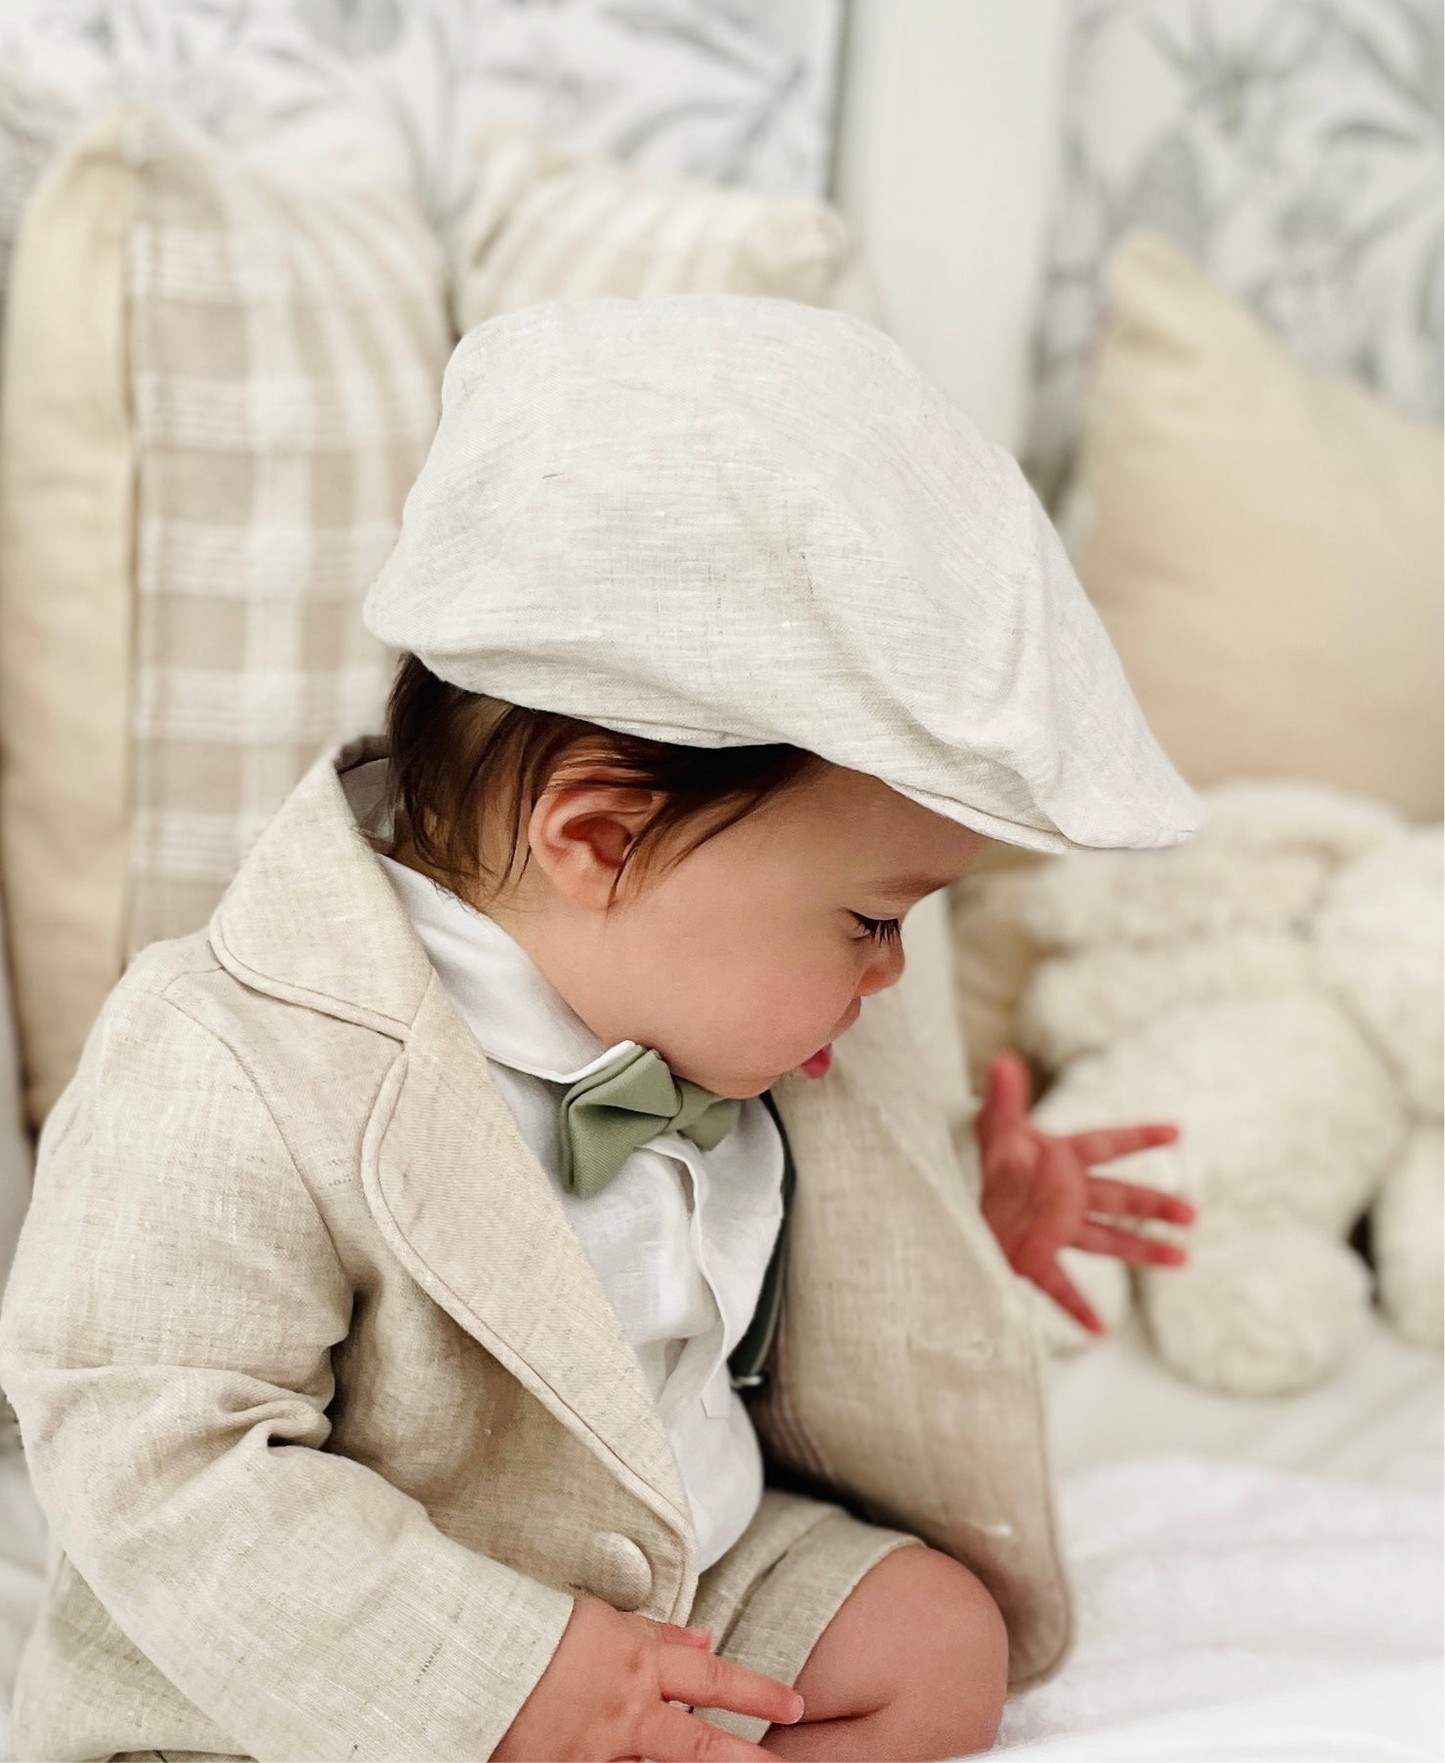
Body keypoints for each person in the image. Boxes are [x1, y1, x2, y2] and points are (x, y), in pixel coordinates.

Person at [0, 294, 1200, 1763]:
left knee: (944, 1642)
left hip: (687, 1557)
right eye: (873, 919)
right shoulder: (232, 1057)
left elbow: (808, 1288)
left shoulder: (730, 996)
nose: (892, 973)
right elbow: (157, 1453)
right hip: (346, 1659)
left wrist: (973, 1214)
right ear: (603, 835)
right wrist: (502, 1675)